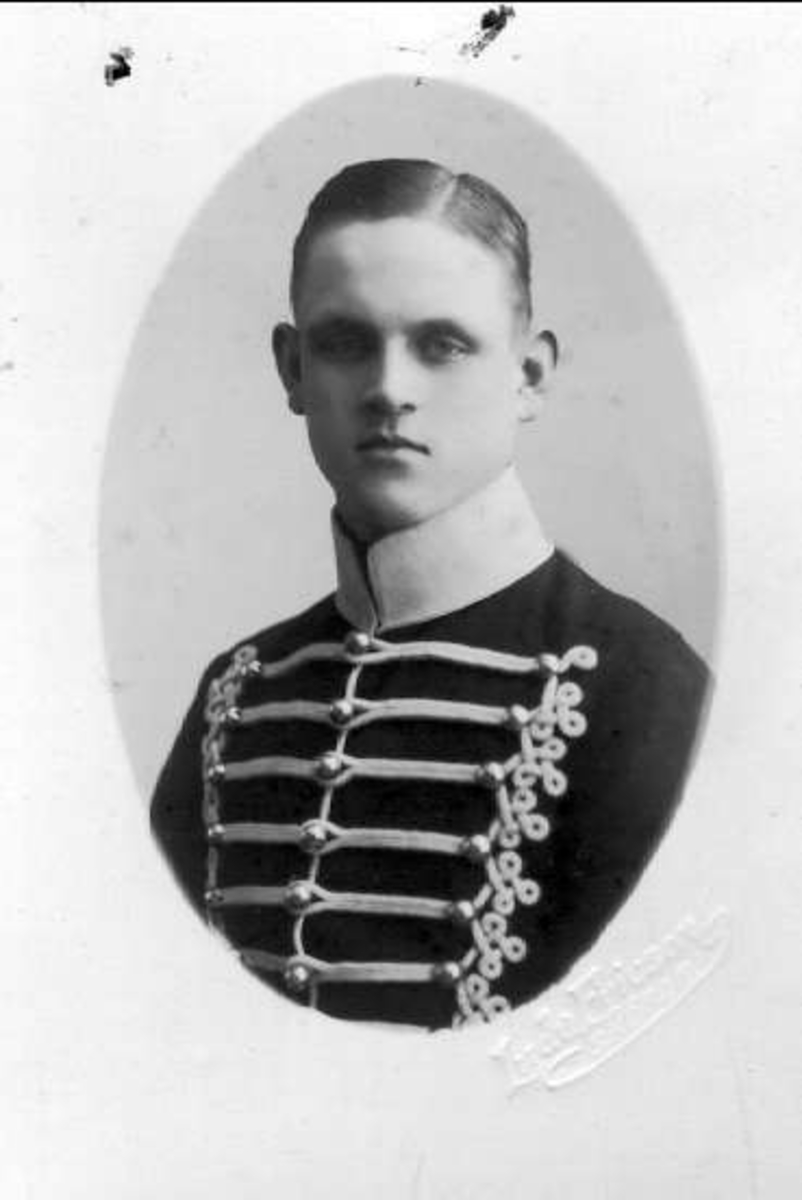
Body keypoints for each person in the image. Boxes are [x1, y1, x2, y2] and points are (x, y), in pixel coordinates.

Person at [151, 158, 710, 1031]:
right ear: (292, 368)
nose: (389, 390)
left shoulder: (643, 687)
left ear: (529, 376)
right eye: (345, 343)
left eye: (442, 345)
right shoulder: (241, 692)